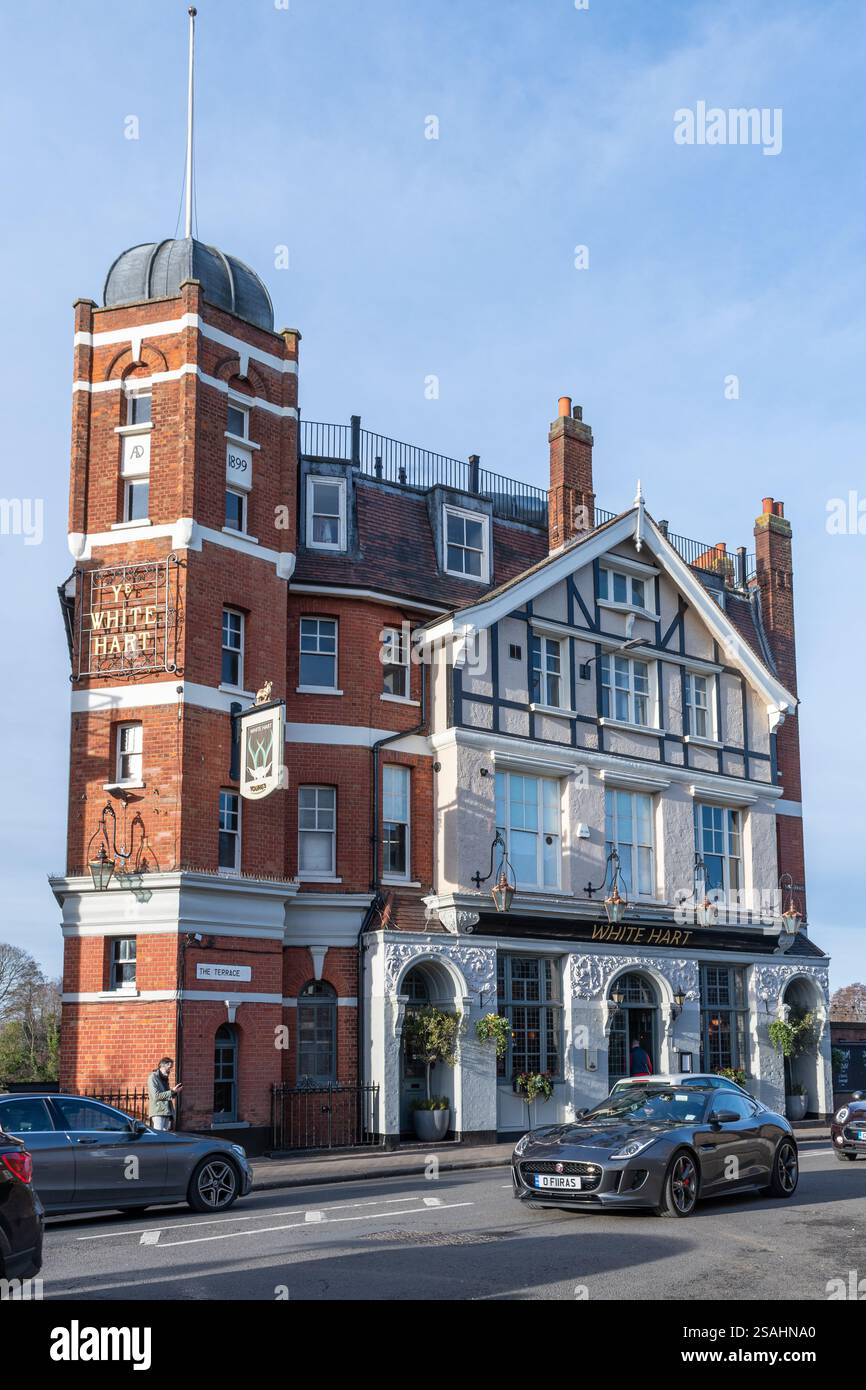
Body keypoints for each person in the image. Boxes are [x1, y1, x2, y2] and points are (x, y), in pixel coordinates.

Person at [147, 1057, 182, 1131]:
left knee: (166, 1135)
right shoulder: (153, 1077)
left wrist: (175, 1092)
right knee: (159, 1135)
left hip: (166, 1111)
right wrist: (171, 1091)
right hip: (158, 1111)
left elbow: (166, 1095)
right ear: (162, 1066)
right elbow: (156, 1096)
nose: (170, 1070)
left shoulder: (164, 1078)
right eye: (169, 1068)